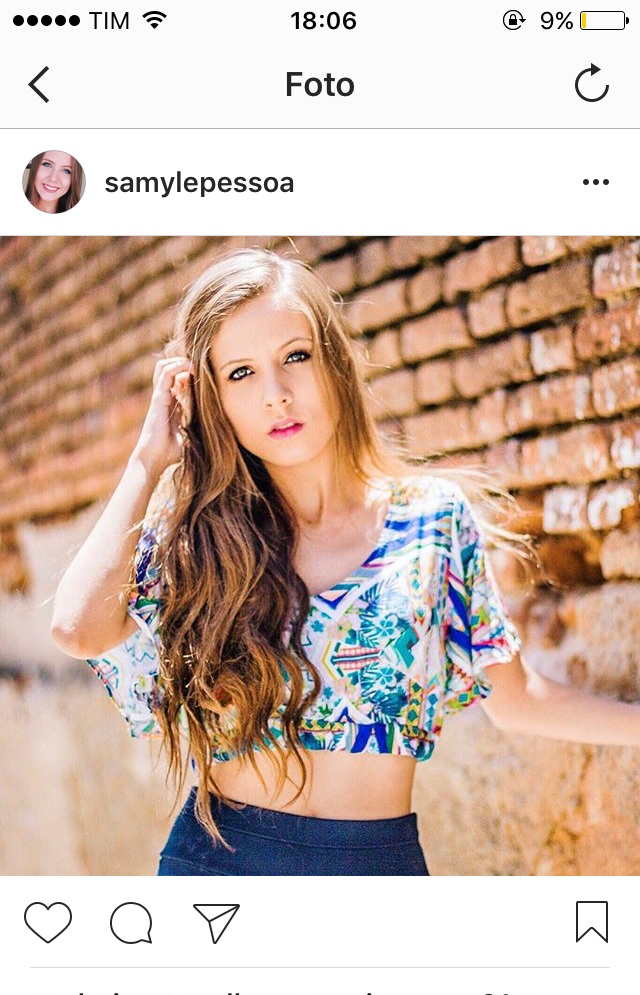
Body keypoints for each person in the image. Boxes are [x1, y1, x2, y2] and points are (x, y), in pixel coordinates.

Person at [50, 248, 640, 876]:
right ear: (212, 399)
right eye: (241, 373)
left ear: (332, 362)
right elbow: (76, 628)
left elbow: (517, 700)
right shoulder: (200, 540)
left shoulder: (431, 522)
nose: (276, 395)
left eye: (295, 357)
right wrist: (148, 459)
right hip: (220, 868)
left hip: (376, 868)